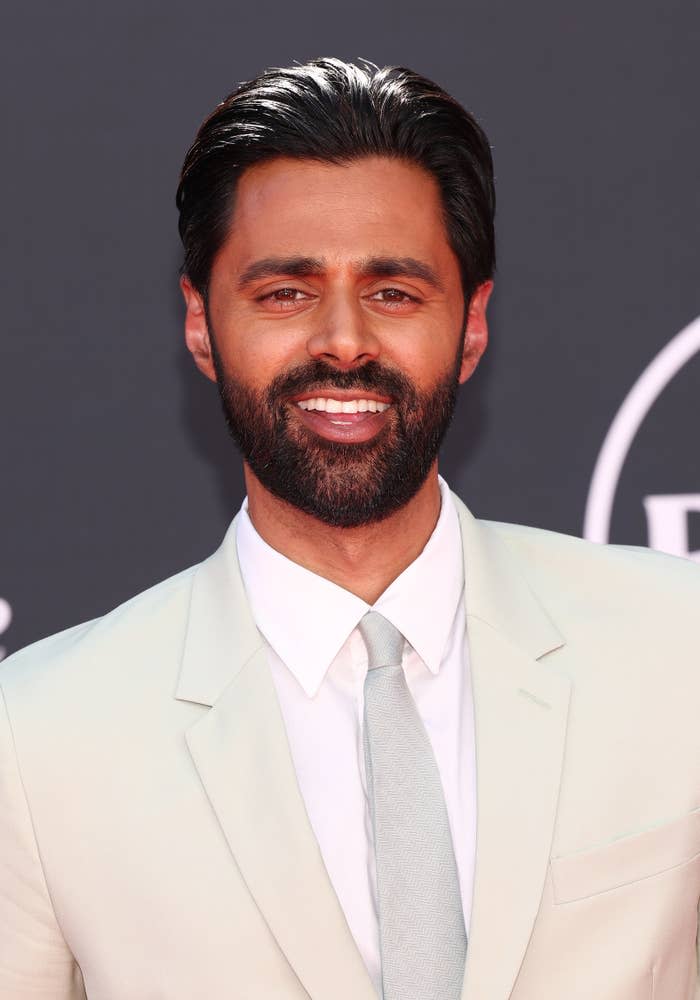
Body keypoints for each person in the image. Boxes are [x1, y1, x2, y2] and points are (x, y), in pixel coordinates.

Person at [0, 57, 698, 1000]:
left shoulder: (677, 647)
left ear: (474, 323)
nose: (343, 340)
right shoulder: (40, 738)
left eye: (395, 292)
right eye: (285, 292)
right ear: (201, 324)